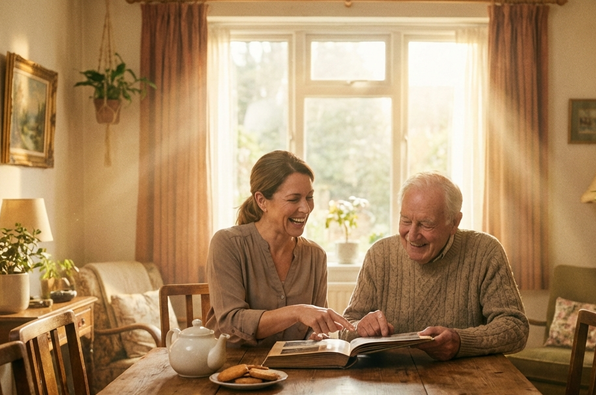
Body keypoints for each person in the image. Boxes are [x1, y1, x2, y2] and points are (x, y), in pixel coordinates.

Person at [340, 172, 528, 360]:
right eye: (406, 220)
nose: (412, 235)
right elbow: (345, 328)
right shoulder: (379, 254)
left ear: (454, 222)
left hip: (467, 377)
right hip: (389, 378)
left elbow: (515, 328)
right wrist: (360, 327)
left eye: (426, 224)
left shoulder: (485, 251)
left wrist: (461, 341)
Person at [206, 150, 354, 346]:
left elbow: (314, 325)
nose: (305, 208)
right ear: (262, 201)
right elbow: (230, 323)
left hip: (292, 371)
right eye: (293, 199)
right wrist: (297, 312)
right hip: (232, 369)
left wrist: (317, 334)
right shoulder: (228, 244)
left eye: (309, 197)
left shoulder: (315, 256)